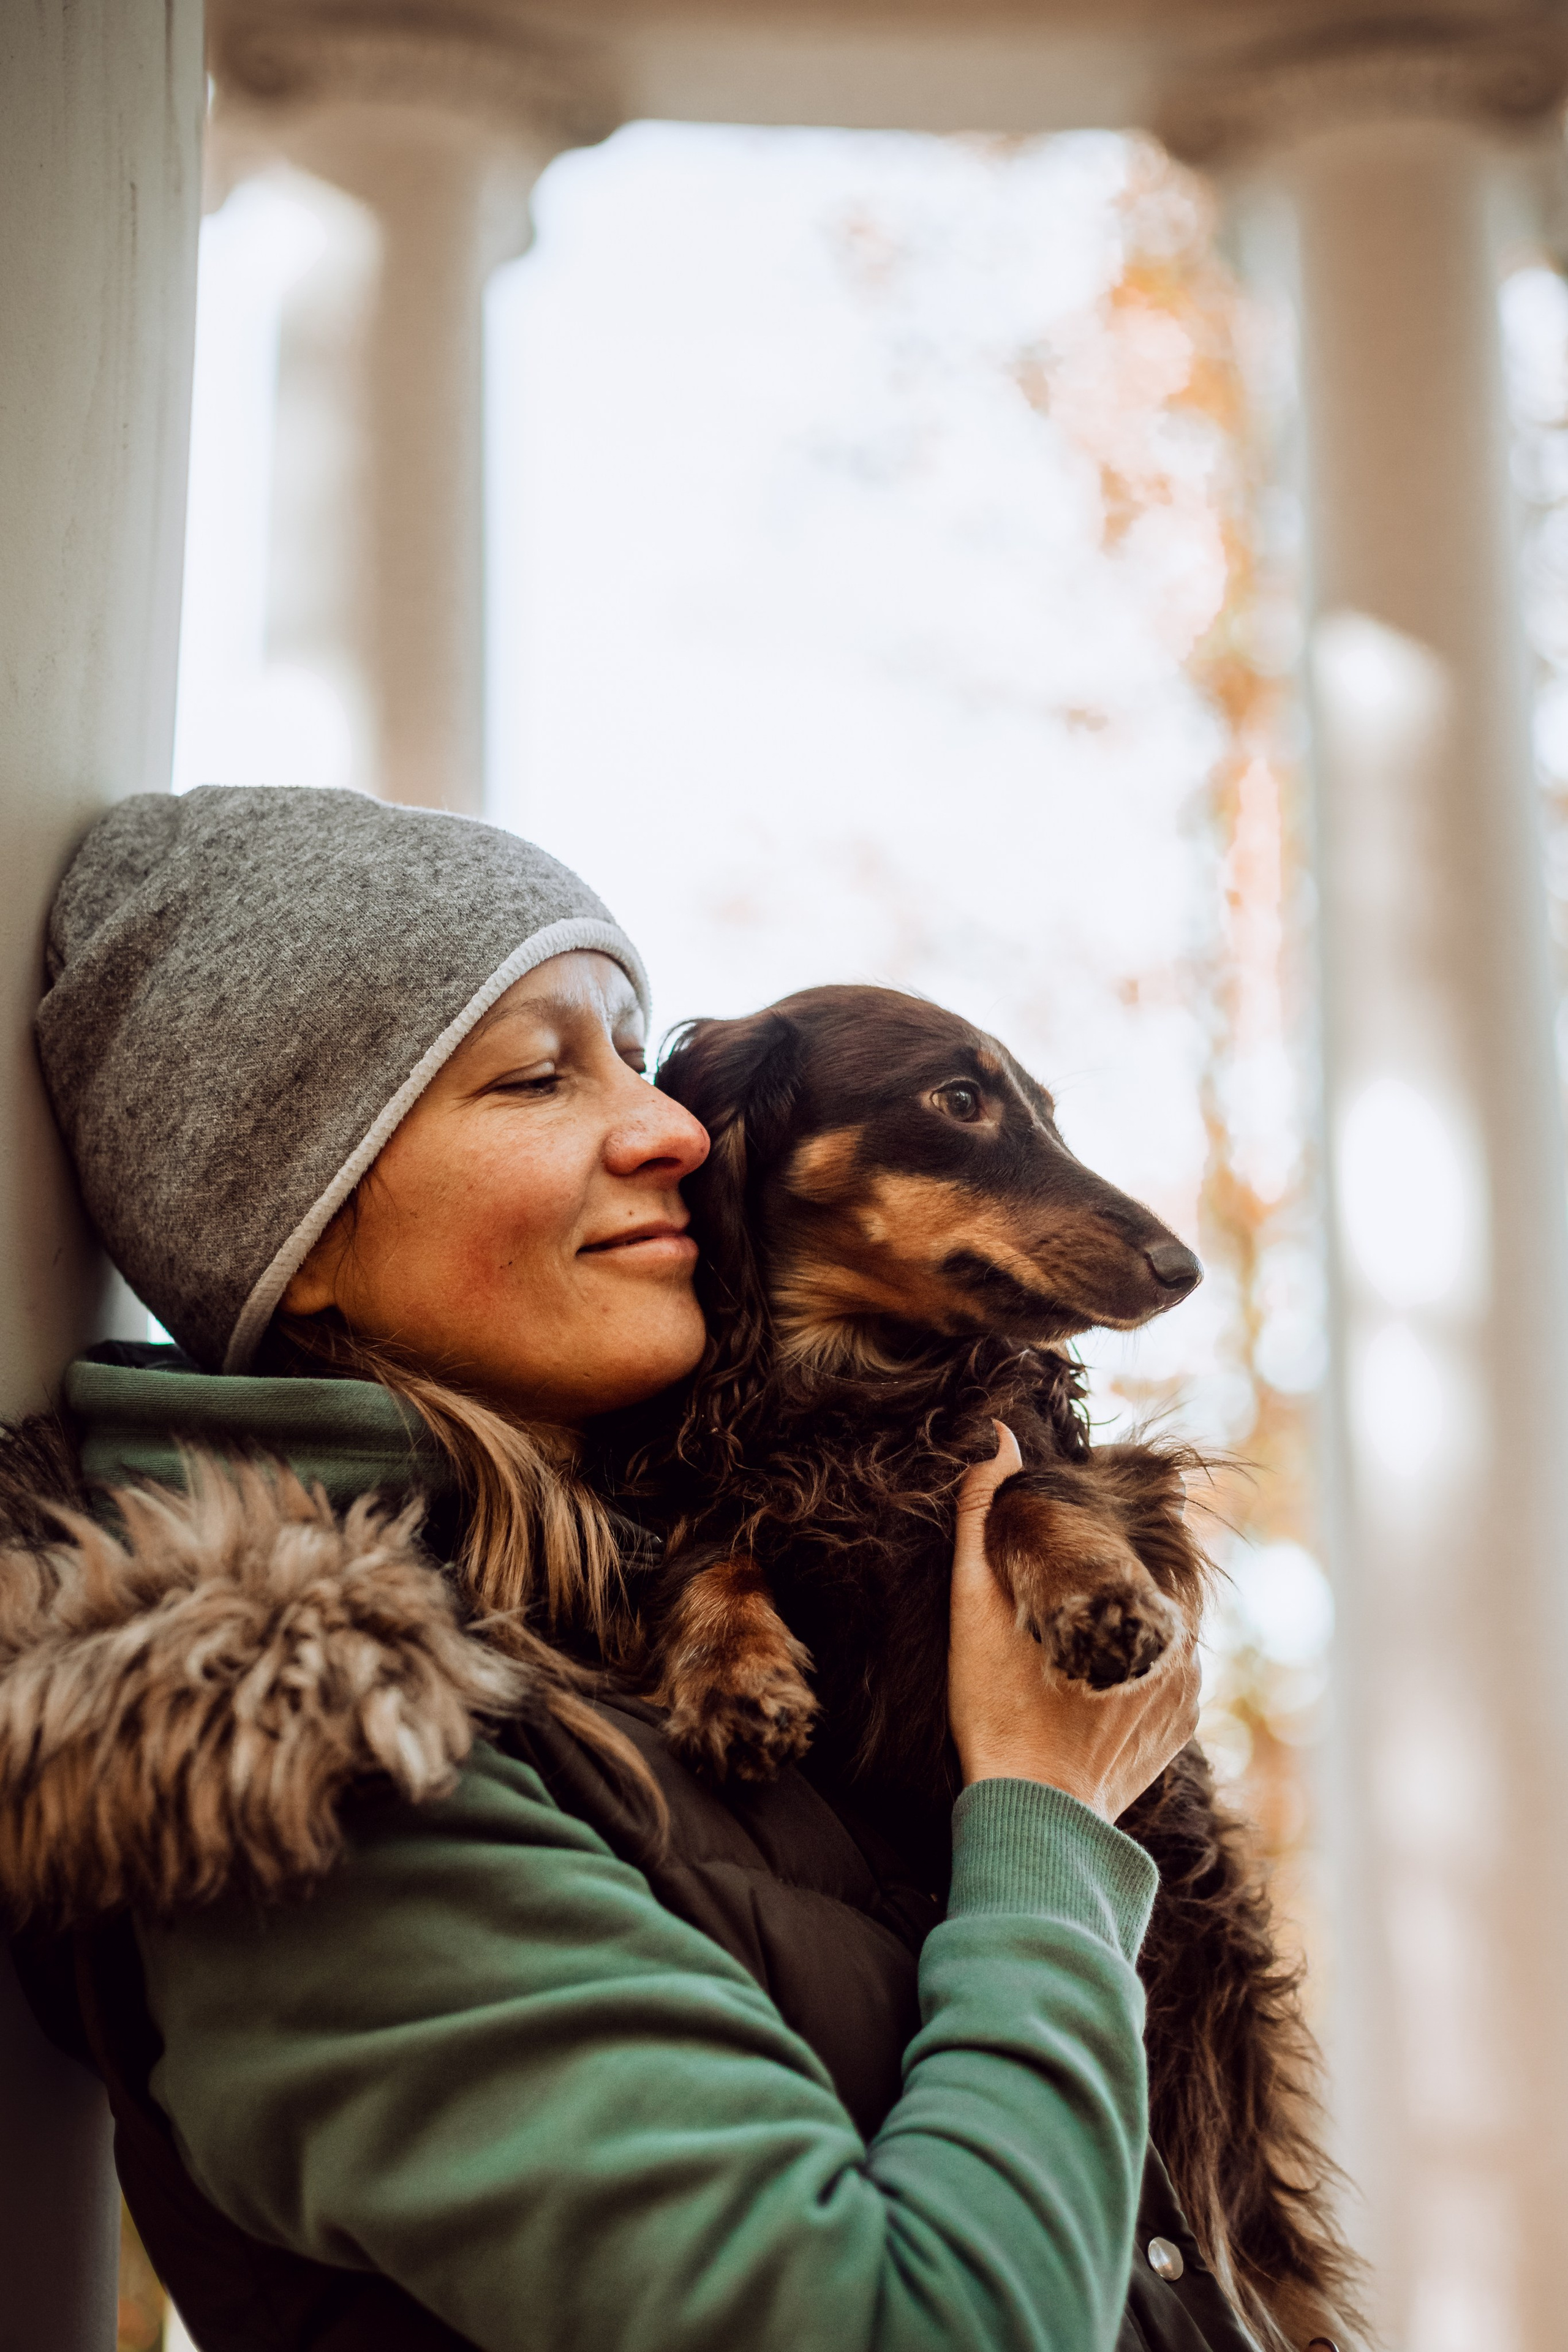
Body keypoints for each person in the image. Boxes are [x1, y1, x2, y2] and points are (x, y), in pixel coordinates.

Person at [0, 786, 1259, 2352]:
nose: (673, 1121)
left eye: (631, 1046)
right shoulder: (303, 1764)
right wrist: (1047, 1825)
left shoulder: (663, 1614)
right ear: (298, 1233)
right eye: (537, 1073)